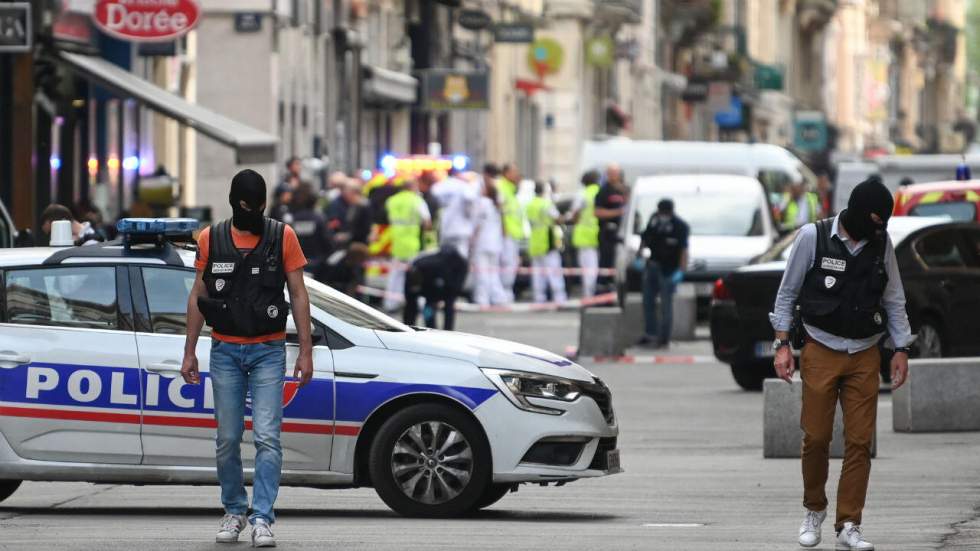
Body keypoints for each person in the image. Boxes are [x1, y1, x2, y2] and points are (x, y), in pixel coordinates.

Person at [770, 176, 912, 550]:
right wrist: (782, 345)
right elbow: (787, 294)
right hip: (820, 347)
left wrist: (901, 349)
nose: (877, 230)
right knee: (815, 437)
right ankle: (814, 509)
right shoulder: (811, 238)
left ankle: (849, 522)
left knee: (860, 442)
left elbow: (895, 300)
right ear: (856, 213)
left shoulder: (882, 245)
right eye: (874, 221)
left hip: (865, 352)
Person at [180, 169, 314, 548]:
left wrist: (305, 351)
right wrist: (189, 350)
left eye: (259, 206)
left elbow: (299, 295)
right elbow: (198, 294)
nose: (254, 213)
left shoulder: (282, 236)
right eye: (247, 207)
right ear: (235, 204)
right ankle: (234, 511)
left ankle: (262, 518)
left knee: (268, 437)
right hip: (224, 349)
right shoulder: (211, 238)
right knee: (227, 438)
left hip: (268, 350)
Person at [637, 199, 688, 348]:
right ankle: (650, 334)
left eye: (665, 213)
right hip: (652, 265)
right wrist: (639, 256)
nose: (663, 215)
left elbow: (684, 250)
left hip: (669, 270)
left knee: (666, 305)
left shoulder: (680, 226)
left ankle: (663, 338)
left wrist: (681, 271)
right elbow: (645, 238)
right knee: (648, 302)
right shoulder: (654, 221)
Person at [383, 177, 431, 311]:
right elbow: (427, 222)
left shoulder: (392, 200)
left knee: (395, 275)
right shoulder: (417, 200)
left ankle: (391, 303)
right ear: (412, 187)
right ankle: (419, 304)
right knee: (416, 275)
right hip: (412, 243)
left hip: (397, 243)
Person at [403, 245, 468, 330]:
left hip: (436, 281)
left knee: (444, 303)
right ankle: (416, 328)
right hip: (424, 279)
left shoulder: (458, 263)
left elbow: (455, 288)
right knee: (423, 305)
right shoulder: (427, 263)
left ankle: (442, 331)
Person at [525, 181, 567, 304]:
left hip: (534, 243)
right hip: (547, 243)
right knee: (554, 272)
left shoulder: (530, 204)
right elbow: (557, 219)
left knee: (538, 274)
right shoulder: (546, 204)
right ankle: (559, 299)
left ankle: (539, 299)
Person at [471, 180, 509, 306]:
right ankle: (498, 297)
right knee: (493, 272)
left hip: (483, 242)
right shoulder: (497, 206)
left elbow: (478, 224)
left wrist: (472, 240)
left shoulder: (483, 203)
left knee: (482, 272)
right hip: (495, 243)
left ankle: (482, 299)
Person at [288, 183, 333, 280]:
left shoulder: (291, 220)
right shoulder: (319, 219)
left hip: (295, 267)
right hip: (317, 266)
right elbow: (327, 243)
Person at [568, 170, 602, 298]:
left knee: (587, 267)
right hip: (599, 233)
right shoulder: (600, 192)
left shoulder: (582, 194)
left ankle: (589, 294)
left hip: (584, 235)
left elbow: (574, 214)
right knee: (595, 267)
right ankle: (593, 293)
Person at [594, 163, 628, 290]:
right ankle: (603, 287)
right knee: (606, 262)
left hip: (623, 232)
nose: (614, 176)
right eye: (611, 173)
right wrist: (618, 212)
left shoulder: (624, 189)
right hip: (607, 233)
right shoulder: (604, 191)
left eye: (616, 173)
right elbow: (597, 212)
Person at [431, 168, 479, 258]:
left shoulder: (441, 186)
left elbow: (434, 195)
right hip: (461, 229)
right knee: (460, 256)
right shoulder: (464, 186)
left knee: (445, 257)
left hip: (445, 228)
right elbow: (470, 199)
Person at [497, 164, 525, 301]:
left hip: (512, 234)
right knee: (507, 264)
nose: (517, 175)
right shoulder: (502, 188)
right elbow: (501, 211)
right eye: (514, 172)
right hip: (506, 235)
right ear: (506, 173)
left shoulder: (511, 190)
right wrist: (503, 230)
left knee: (511, 264)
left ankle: (506, 293)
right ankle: (503, 293)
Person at [325, 179, 371, 249]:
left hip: (360, 246)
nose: (344, 194)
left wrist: (347, 236)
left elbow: (364, 230)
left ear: (353, 192)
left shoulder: (363, 206)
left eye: (346, 191)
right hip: (353, 244)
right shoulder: (353, 205)